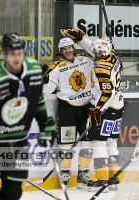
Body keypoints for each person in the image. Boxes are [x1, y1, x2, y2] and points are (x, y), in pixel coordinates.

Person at [61, 28, 124, 192]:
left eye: (98, 51)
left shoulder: (101, 68)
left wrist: (98, 110)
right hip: (118, 106)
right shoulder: (113, 57)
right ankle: (113, 180)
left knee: (99, 145)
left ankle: (102, 181)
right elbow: (94, 48)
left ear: (104, 53)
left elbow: (107, 93)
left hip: (106, 107)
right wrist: (81, 39)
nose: (94, 52)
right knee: (111, 144)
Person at [0, 32, 55, 200]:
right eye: (11, 54)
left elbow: (37, 100)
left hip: (19, 139)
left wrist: (44, 124)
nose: (16, 58)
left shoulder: (34, 69)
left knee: (14, 189)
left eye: (19, 53)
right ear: (4, 54)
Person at [42, 37, 94, 189]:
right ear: (61, 51)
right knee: (66, 143)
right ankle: (65, 171)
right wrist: (43, 80)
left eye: (70, 47)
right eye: (64, 49)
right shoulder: (57, 67)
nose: (68, 51)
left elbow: (97, 65)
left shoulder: (86, 60)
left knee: (87, 143)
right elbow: (47, 89)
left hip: (87, 109)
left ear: (73, 47)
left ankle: (83, 173)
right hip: (67, 109)